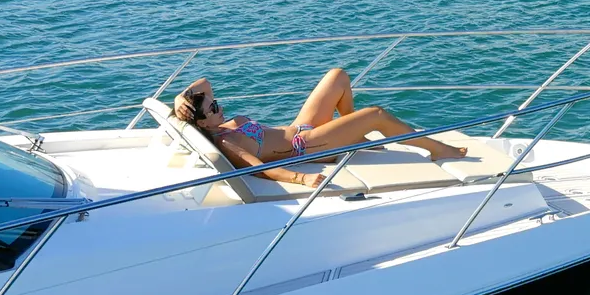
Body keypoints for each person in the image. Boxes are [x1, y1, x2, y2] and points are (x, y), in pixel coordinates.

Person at [173, 69, 465, 185]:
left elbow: (204, 83)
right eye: (213, 108)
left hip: (300, 129)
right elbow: (258, 168)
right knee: (376, 113)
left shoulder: (217, 123)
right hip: (307, 147)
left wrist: (179, 98)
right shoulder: (227, 143)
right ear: (202, 122)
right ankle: (439, 150)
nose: (219, 106)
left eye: (216, 102)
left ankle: (356, 138)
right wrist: (301, 179)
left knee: (338, 76)